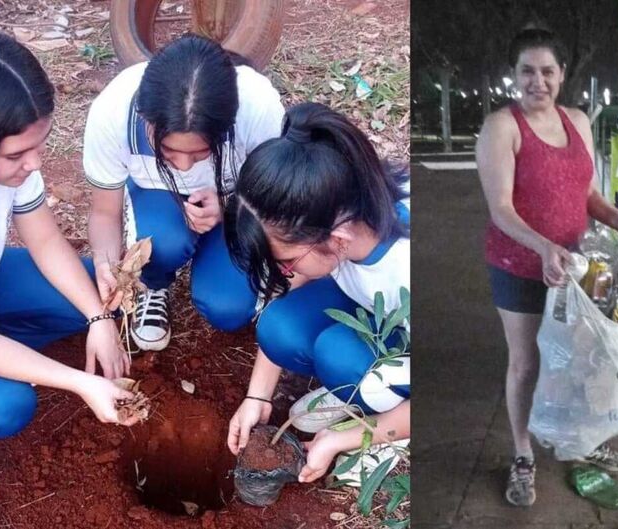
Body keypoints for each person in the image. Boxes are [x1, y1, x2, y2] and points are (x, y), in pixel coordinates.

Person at [0, 31, 138, 455]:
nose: (34, 164)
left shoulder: (6, 168)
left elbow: (46, 239)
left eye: (39, 146)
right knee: (5, 408)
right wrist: (79, 381)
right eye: (16, 156)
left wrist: (98, 321)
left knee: (102, 299)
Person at [475, 28, 618, 507]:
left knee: (581, 362)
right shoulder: (501, 127)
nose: (537, 81)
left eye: (547, 71)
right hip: (520, 267)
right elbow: (501, 209)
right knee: (527, 364)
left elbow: (584, 192)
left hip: (577, 270)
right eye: (527, 70)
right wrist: (543, 246)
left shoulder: (579, 121)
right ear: (515, 75)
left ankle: (581, 441)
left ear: (562, 75)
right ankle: (524, 455)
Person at [223, 102, 410, 485]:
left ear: (337, 240)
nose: (285, 272)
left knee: (339, 355)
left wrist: (341, 441)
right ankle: (359, 395)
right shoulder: (337, 209)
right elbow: (285, 298)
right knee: (280, 325)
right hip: (374, 311)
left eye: (289, 261)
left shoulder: (407, 269)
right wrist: (257, 396)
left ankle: (386, 433)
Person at [84, 34, 284, 351]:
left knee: (228, 308)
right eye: (168, 150)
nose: (185, 167)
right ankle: (154, 284)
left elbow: (275, 195)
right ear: (145, 119)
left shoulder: (257, 108)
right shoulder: (113, 112)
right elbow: (104, 212)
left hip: (238, 203)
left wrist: (229, 206)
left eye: (201, 152)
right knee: (161, 243)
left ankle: (232, 259)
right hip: (156, 198)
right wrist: (106, 264)